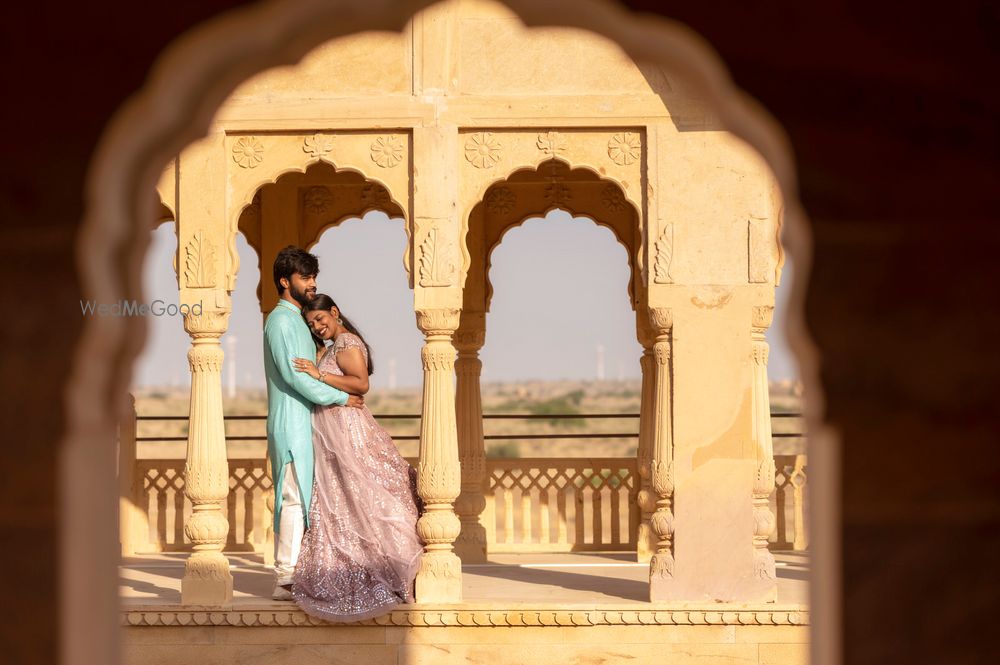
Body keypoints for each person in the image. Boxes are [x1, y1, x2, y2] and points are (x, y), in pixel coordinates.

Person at [288, 293, 424, 622]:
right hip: (333, 428)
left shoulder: (347, 341)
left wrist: (319, 375)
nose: (318, 327)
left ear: (335, 313)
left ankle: (391, 562)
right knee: (346, 495)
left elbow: (360, 384)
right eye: (311, 324)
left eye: (321, 319)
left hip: (348, 427)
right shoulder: (332, 345)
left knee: (363, 489)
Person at [263, 247, 364, 601]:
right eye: (305, 278)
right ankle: (284, 578)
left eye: (313, 278)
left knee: (308, 500)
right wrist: (341, 398)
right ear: (284, 281)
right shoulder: (279, 321)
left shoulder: (299, 320)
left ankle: (305, 572)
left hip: (308, 422)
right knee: (293, 497)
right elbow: (296, 377)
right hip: (291, 421)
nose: (312, 284)